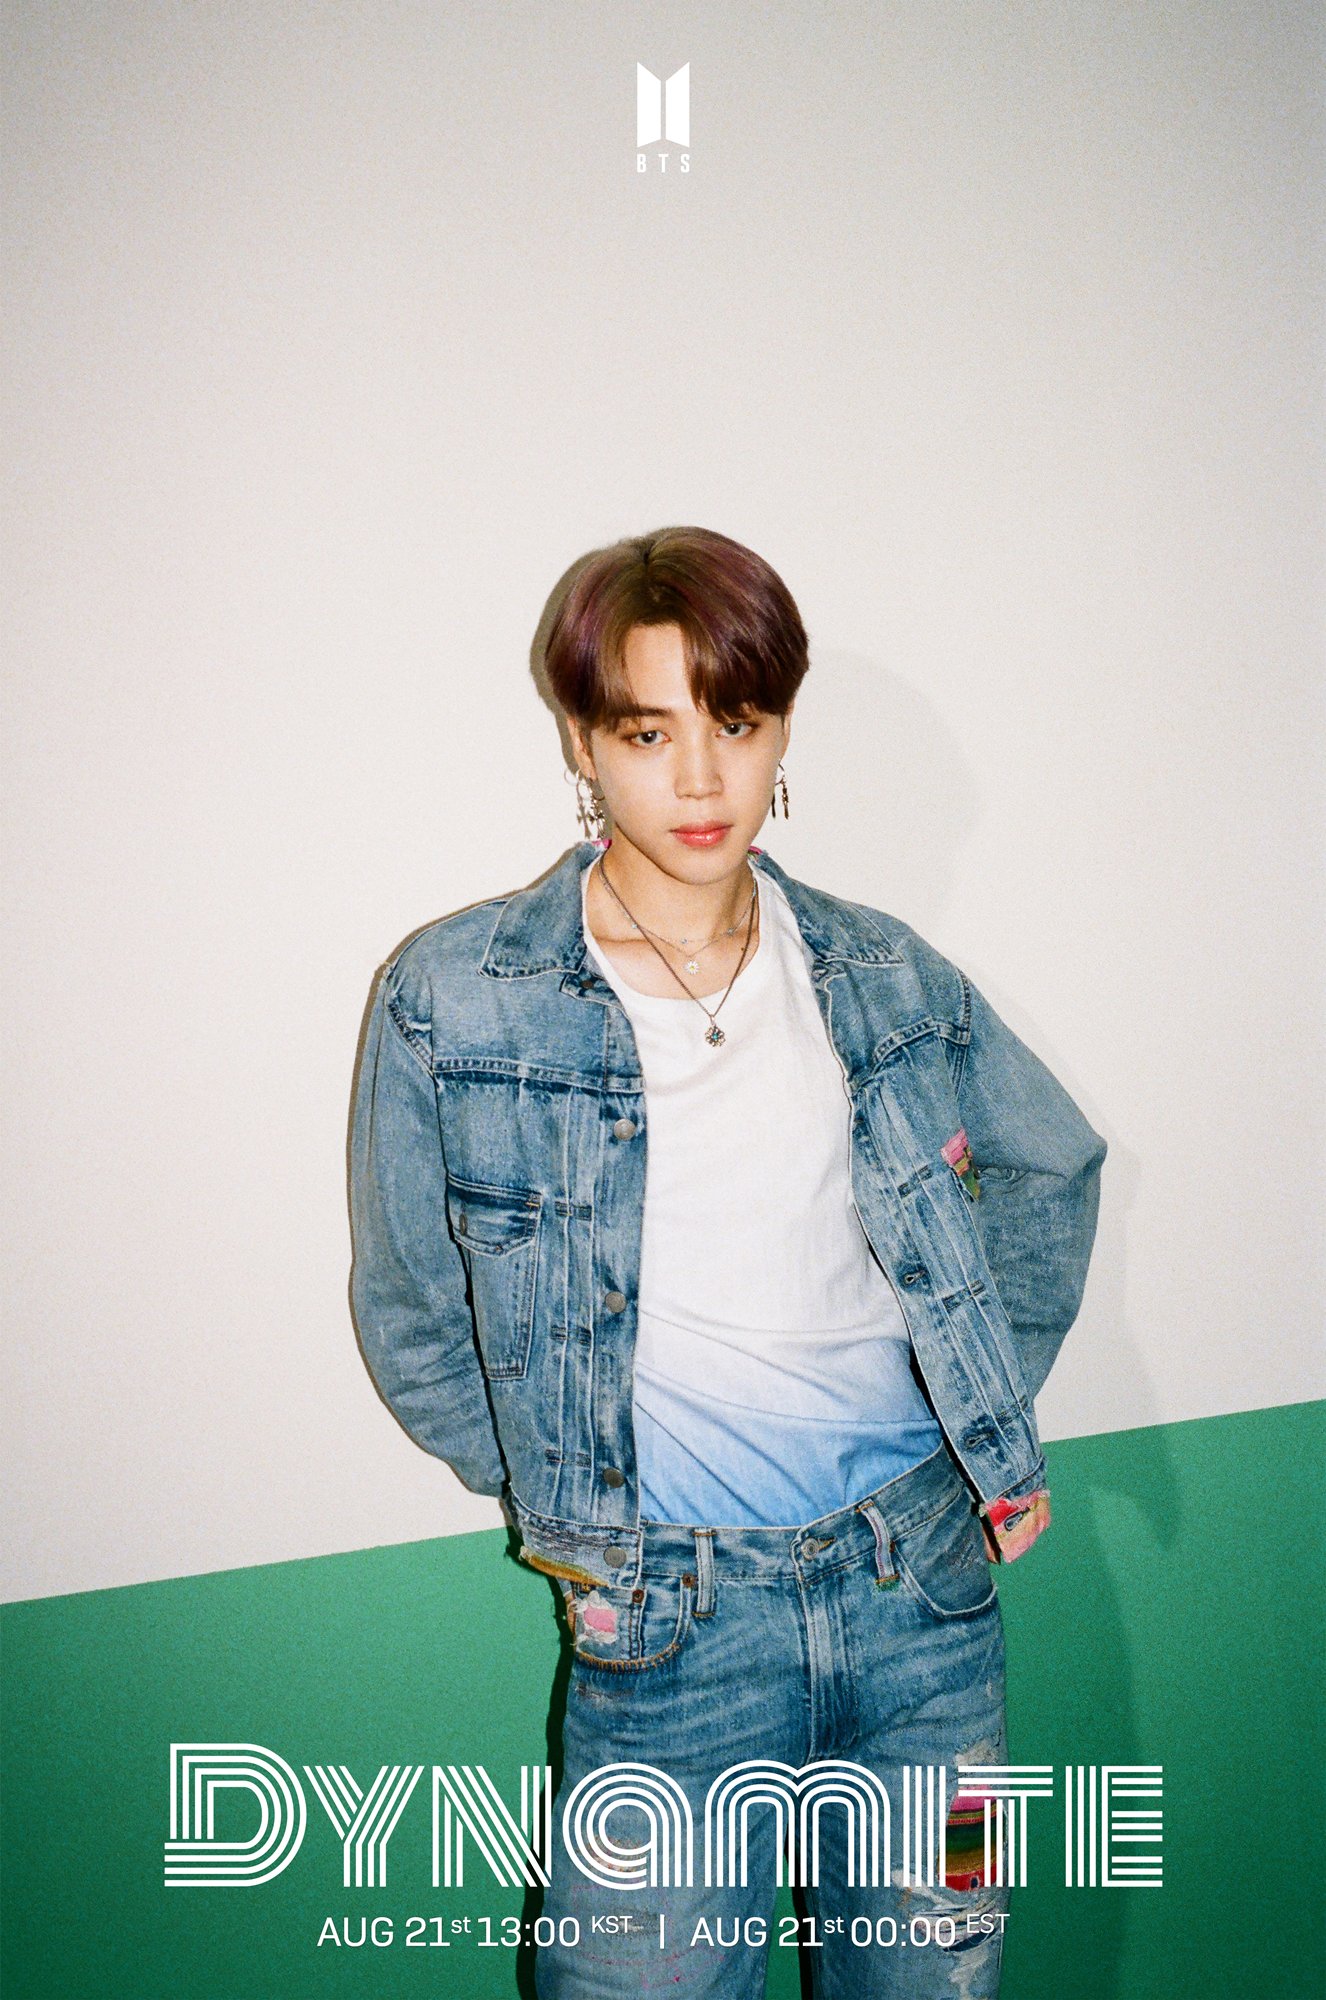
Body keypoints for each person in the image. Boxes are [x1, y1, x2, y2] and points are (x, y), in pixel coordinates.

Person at [349, 526, 1107, 1998]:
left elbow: (1050, 1167)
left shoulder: (881, 974)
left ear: (780, 734)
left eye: (737, 724)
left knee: (937, 1976)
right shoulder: (455, 1002)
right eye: (649, 732)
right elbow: (410, 1310)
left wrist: (977, 1411)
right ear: (583, 743)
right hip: (665, 1631)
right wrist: (571, 1493)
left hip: (926, 1606)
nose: (700, 780)